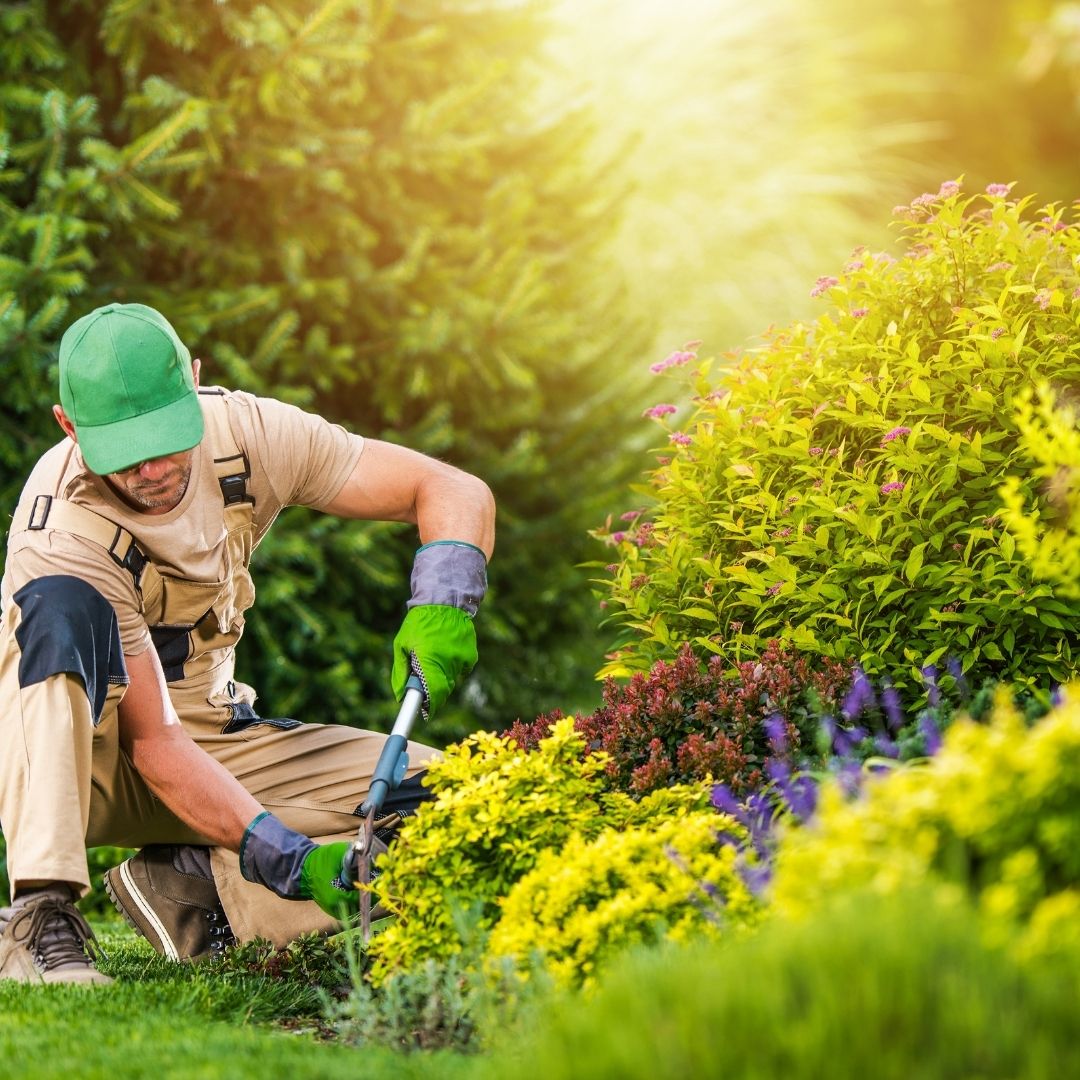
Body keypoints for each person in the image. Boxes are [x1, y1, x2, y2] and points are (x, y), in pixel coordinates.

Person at [0, 303, 494, 984]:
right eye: (124, 448)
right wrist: (286, 853)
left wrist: (445, 603)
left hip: (214, 734)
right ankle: (41, 914)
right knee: (54, 615)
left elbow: (446, 487)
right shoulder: (62, 532)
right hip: (91, 760)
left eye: (166, 436)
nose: (151, 467)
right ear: (68, 426)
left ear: (195, 380)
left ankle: (196, 883)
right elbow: (155, 746)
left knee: (453, 796)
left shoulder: (248, 435)